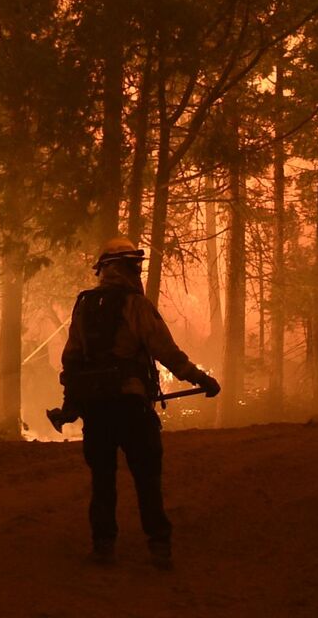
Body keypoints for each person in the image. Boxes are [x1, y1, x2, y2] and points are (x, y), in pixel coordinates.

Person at [58, 236, 220, 568]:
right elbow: (165, 350)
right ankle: (159, 545)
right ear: (131, 267)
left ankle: (103, 546)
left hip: (97, 408)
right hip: (131, 405)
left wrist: (70, 405)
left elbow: (72, 360)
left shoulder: (85, 305)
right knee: (146, 477)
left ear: (102, 270)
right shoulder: (136, 304)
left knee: (102, 480)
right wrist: (200, 378)